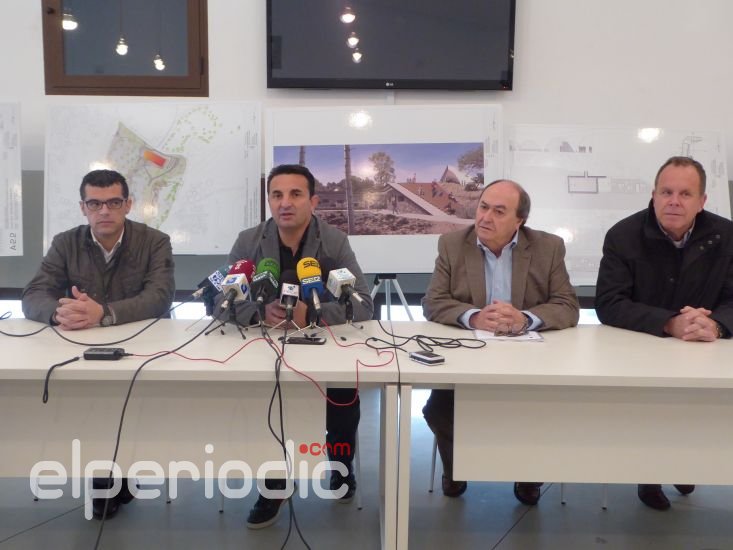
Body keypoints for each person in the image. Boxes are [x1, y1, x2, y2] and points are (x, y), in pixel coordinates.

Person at [220, 164, 374, 529]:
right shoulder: (249, 241)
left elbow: (364, 304)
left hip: (323, 348)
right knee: (266, 403)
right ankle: (274, 484)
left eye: (295, 194)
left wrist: (312, 315)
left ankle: (340, 465)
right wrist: (259, 311)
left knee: (343, 397)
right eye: (277, 195)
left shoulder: (333, 241)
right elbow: (221, 303)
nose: (285, 203)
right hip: (265, 348)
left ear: (313, 202)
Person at [22, 169, 175, 519]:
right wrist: (59, 312)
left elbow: (159, 297)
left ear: (128, 204)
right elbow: (34, 293)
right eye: (95, 203)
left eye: (113, 202)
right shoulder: (66, 243)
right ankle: (103, 479)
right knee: (92, 408)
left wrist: (103, 313)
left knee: (133, 410)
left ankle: (127, 470)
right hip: (83, 350)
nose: (104, 211)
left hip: (140, 347)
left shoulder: (155, 241)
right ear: (83, 207)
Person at [422, 179, 579, 505]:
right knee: (438, 409)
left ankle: (528, 474)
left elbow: (567, 306)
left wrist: (525, 319)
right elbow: (433, 302)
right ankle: (456, 467)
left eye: (499, 211)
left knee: (540, 411)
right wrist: (473, 317)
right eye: (483, 207)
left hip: (529, 359)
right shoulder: (452, 244)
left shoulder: (548, 247)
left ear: (519, 220)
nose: (485, 218)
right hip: (467, 357)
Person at [595, 155, 733, 511]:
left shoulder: (727, 236)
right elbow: (609, 302)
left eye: (685, 194)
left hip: (705, 350)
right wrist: (669, 322)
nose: (674, 201)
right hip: (643, 347)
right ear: (653, 195)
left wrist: (716, 324)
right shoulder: (623, 235)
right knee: (652, 413)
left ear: (702, 201)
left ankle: (684, 464)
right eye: (666, 192)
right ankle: (650, 476)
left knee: (696, 414)